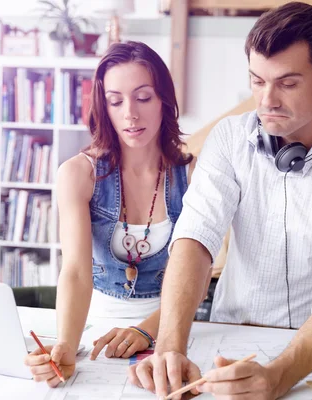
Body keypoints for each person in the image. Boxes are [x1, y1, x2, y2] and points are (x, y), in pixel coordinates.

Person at [129, 2, 312, 399]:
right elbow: (195, 240)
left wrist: (278, 377)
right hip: (229, 340)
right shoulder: (228, 140)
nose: (266, 100)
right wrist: (169, 346)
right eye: (257, 81)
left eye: (287, 84)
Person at [23, 40, 208, 388]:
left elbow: (197, 281)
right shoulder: (79, 174)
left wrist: (146, 331)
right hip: (96, 330)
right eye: (115, 100)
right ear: (102, 106)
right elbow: (77, 272)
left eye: (143, 97)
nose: (130, 114)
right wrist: (65, 343)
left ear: (164, 101)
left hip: (173, 328)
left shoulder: (194, 175)